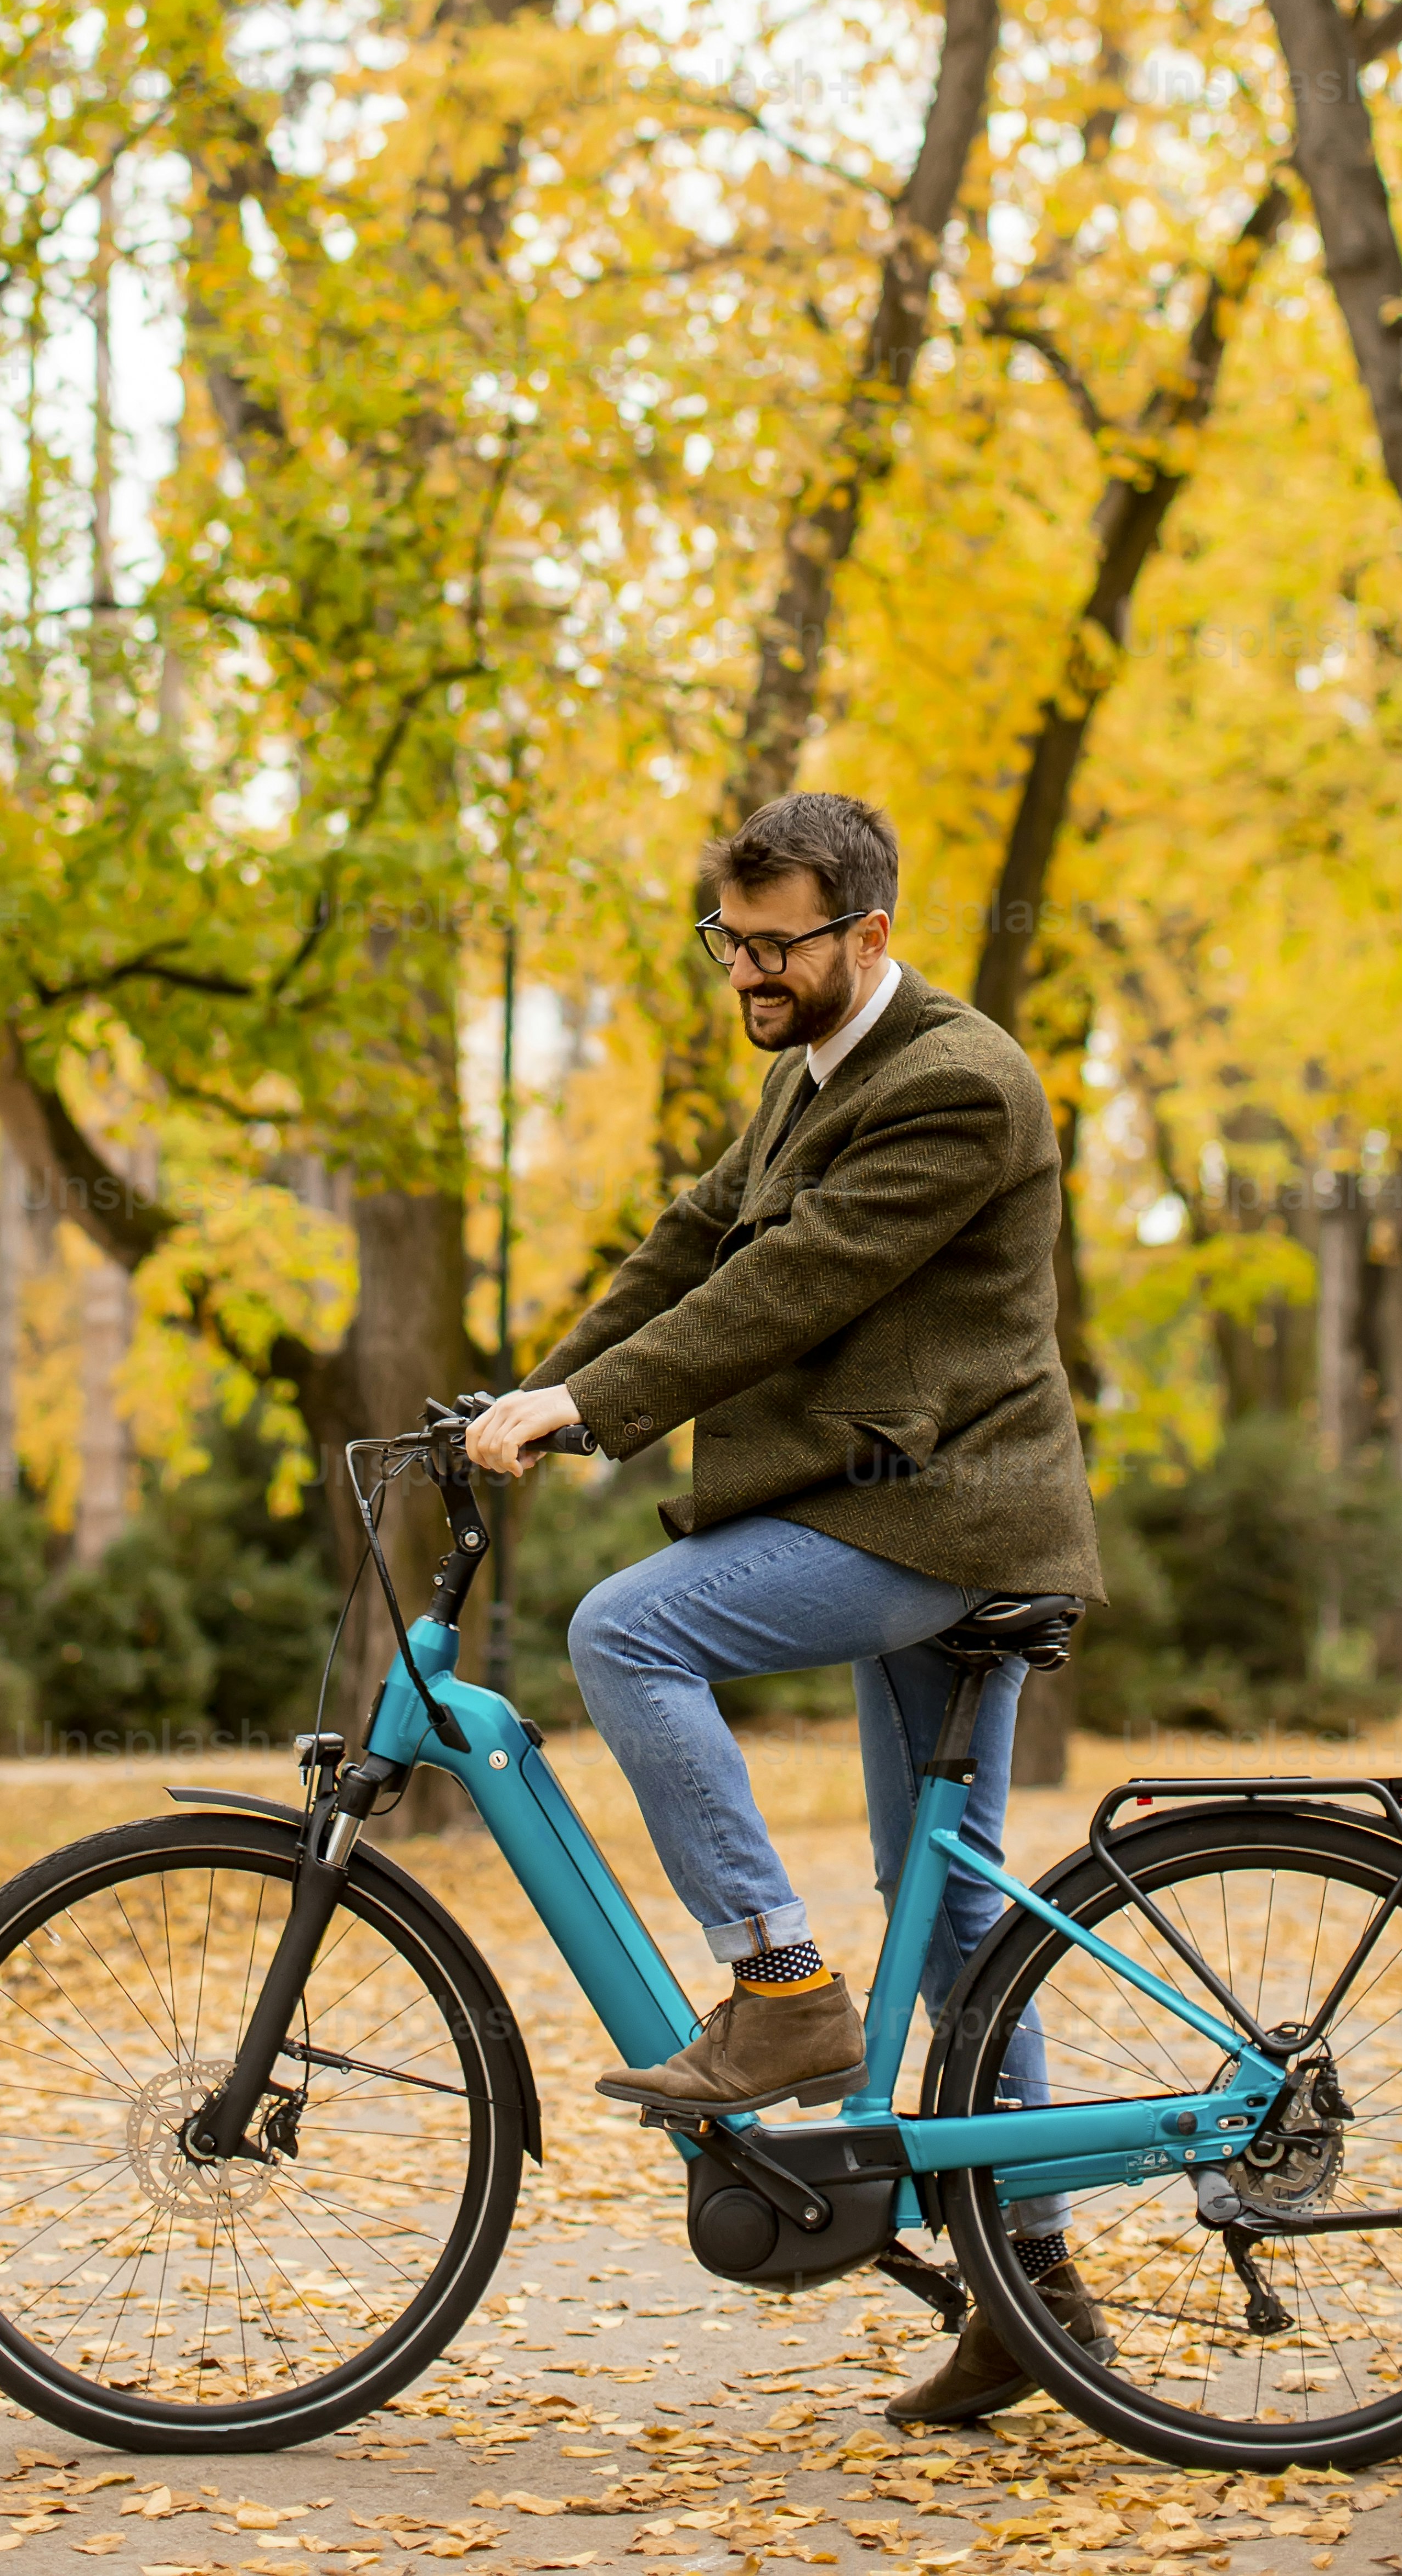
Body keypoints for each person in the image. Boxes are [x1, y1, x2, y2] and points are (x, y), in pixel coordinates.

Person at [465, 790, 1112, 2423]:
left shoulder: (957, 1087)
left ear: (870, 934)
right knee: (954, 1911)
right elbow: (695, 1240)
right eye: (728, 941)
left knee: (629, 1629)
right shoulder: (807, 1072)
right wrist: (546, 1381)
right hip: (891, 1506)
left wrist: (594, 1416)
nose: (746, 971)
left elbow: (787, 1283)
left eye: (778, 944)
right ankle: (1039, 2301)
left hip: (948, 1519)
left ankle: (778, 1989)